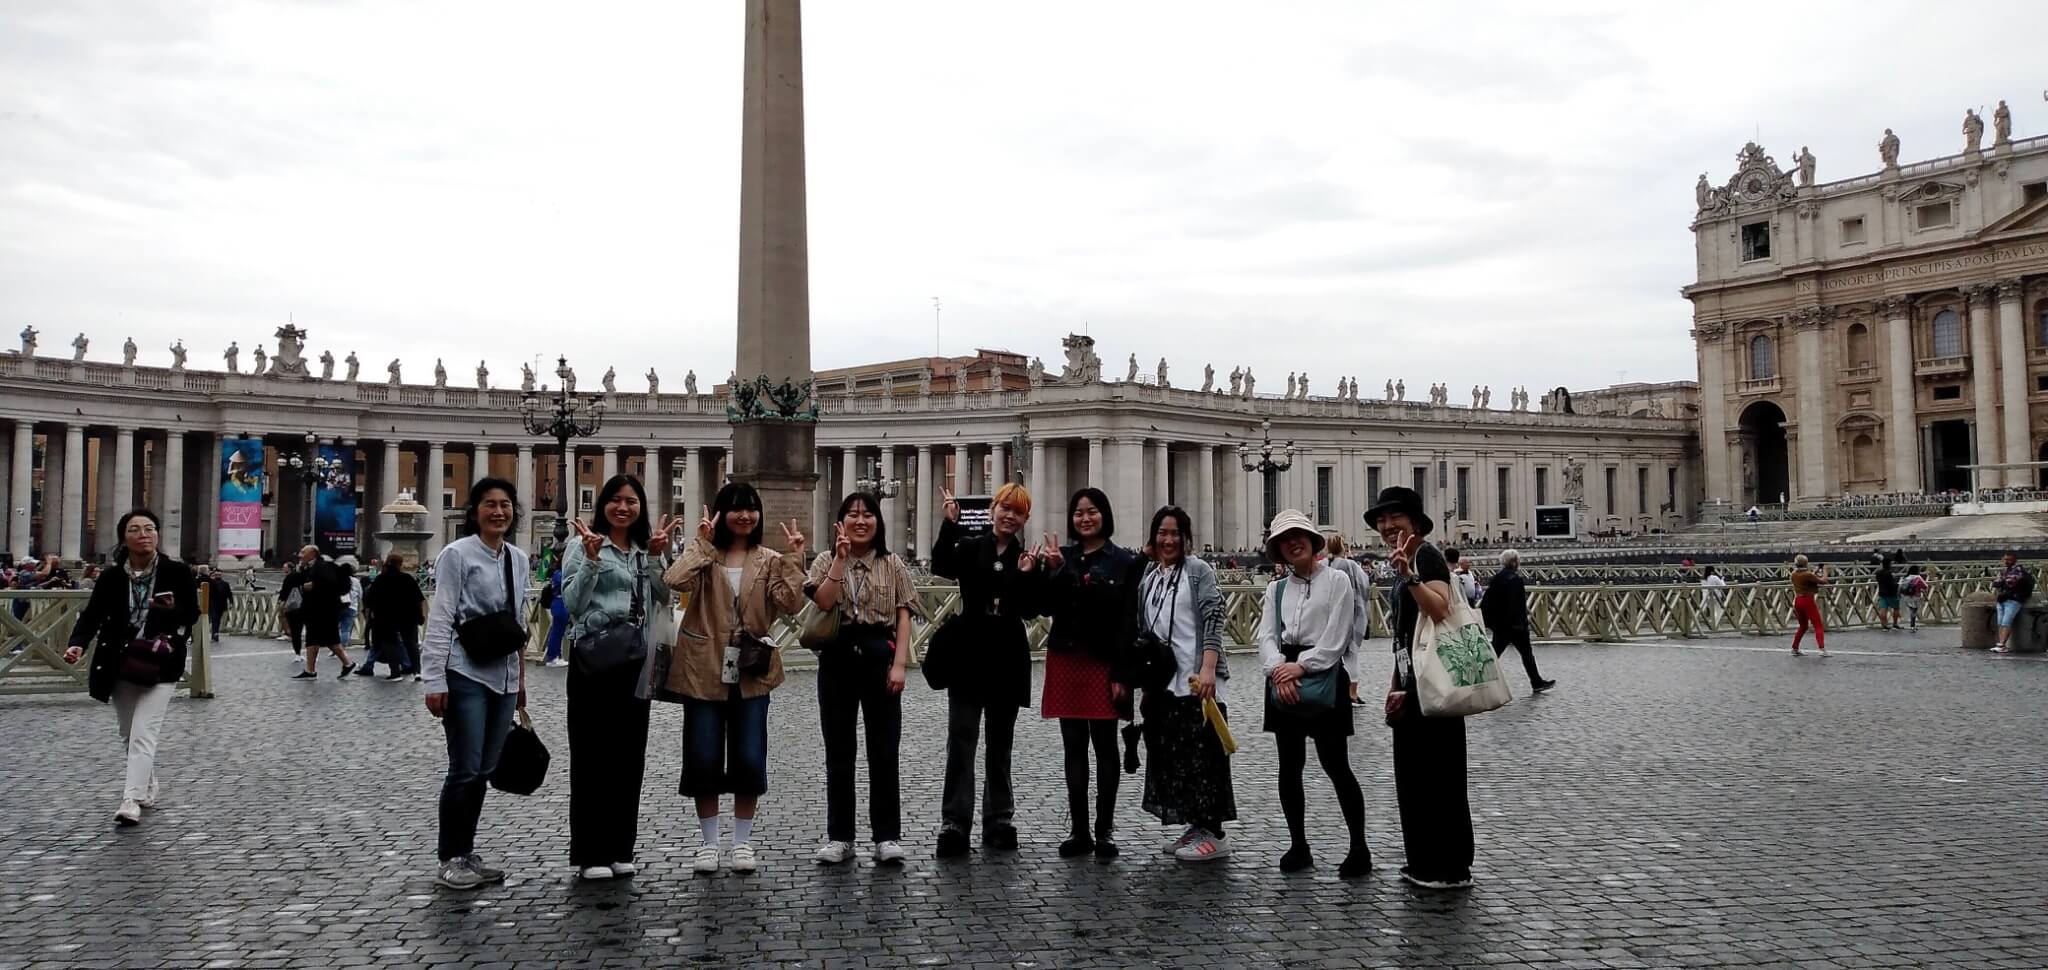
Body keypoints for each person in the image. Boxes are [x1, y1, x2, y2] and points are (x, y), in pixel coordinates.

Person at [660, 482, 806, 875]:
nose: (745, 516)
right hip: (702, 667)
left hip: (751, 669)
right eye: (736, 509)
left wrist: (795, 559)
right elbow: (674, 580)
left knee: (749, 756)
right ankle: (709, 844)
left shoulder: (770, 559)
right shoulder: (706, 556)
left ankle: (742, 842)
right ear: (722, 514)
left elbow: (791, 604)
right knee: (703, 756)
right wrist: (701, 544)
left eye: (751, 508)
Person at [562, 475, 676, 880]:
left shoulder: (646, 549)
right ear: (603, 505)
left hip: (634, 661)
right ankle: (590, 853)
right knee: (591, 757)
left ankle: (620, 847)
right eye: (615, 499)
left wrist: (657, 559)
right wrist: (591, 561)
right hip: (592, 660)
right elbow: (572, 603)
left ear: (641, 507)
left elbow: (665, 598)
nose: (623, 507)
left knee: (629, 757)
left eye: (631, 501)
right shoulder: (581, 545)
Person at [421, 477, 530, 890]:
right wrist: (434, 678)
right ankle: (449, 857)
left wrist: (520, 677)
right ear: (475, 511)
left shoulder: (518, 558)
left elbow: (518, 623)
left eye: (505, 505)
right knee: (465, 768)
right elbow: (441, 615)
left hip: (503, 674)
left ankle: (466, 852)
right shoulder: (456, 554)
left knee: (484, 768)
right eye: (489, 504)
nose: (498, 512)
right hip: (464, 670)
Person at [1368, 485, 1476, 890]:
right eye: (1381, 520)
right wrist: (1395, 684)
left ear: (1414, 521)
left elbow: (1441, 607)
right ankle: (1425, 860)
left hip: (1434, 681)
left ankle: (1447, 866)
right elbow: (1404, 634)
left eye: (1394, 518)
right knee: (1414, 776)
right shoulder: (1406, 557)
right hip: (1412, 682)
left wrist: (1409, 577)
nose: (1386, 525)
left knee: (1437, 776)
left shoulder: (1425, 556)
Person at [64, 508, 200, 826]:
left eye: (149, 528)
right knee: (128, 733)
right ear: (124, 538)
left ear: (158, 535)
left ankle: (130, 800)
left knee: (144, 731)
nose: (144, 535)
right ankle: (148, 784)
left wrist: (168, 610)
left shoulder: (177, 572)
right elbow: (92, 615)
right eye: (135, 529)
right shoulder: (111, 577)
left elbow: (192, 614)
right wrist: (77, 643)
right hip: (119, 659)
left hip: (161, 658)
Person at [804, 491, 918, 866]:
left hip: (878, 655)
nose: (860, 521)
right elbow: (823, 601)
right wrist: (839, 560)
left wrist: (899, 664)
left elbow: (904, 615)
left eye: (867, 514)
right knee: (838, 751)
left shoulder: (892, 562)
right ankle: (841, 836)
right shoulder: (825, 560)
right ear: (840, 522)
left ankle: (887, 835)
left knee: (884, 751)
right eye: (852, 514)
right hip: (837, 656)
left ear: (877, 522)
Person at [930, 482, 1042, 858]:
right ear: (993, 510)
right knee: (961, 739)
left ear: (1025, 518)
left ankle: (999, 818)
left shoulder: (1026, 558)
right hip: (969, 652)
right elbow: (941, 566)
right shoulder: (969, 545)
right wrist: (949, 524)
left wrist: (1028, 575)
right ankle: (955, 820)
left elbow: (1031, 609)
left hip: (1007, 656)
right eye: (1005, 508)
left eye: (1018, 511)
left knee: (1000, 743)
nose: (1010, 515)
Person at [1257, 508, 1369, 878]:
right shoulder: (1275, 589)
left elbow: (1337, 637)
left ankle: (1358, 847)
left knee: (1336, 765)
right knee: (1289, 767)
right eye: (1284, 539)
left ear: (1312, 540)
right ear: (1278, 549)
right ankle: (1298, 844)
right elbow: (1266, 637)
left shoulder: (1337, 581)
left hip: (1323, 674)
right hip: (1284, 676)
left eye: (1298, 535)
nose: (1293, 543)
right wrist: (1279, 669)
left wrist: (1301, 666)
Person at [1033, 487, 1141, 860]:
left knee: (1106, 746)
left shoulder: (1124, 562)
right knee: (1073, 746)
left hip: (1104, 661)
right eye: (1078, 512)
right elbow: (1045, 607)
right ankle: (1079, 830)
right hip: (1066, 657)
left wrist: (1122, 673)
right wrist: (1052, 572)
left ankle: (1104, 829)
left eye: (1092, 511)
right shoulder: (1061, 557)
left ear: (1104, 515)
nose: (1085, 518)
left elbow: (1128, 622)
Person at [1133, 505, 1235, 863]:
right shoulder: (1151, 576)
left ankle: (1215, 833)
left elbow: (1214, 616)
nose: (1168, 540)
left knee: (1205, 756)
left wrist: (1208, 668)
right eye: (1162, 532)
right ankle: (1197, 824)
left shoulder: (1198, 570)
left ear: (1186, 537)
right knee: (1178, 756)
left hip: (1197, 679)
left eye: (1175, 533)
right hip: (1165, 682)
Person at [1478, 550, 1555, 692]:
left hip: (1500, 625)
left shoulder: (1497, 578)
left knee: (1494, 654)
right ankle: (1536, 683)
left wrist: (1491, 622)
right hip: (1515, 626)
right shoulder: (1515, 580)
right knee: (1527, 655)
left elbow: (1487, 601)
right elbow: (1517, 605)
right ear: (1514, 562)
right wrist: (1522, 624)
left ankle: (1478, 680)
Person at [291, 547, 355, 679]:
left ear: (312, 554)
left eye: (303, 553)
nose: (300, 555)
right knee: (317, 639)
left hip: (323, 610)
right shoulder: (310, 567)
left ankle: (346, 663)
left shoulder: (322, 567)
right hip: (317, 610)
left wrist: (313, 586)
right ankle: (312, 670)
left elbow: (330, 584)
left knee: (326, 639)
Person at [363, 553, 426, 679]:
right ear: (400, 564)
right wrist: (421, 615)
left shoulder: (380, 579)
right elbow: (419, 598)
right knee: (411, 643)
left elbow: (370, 601)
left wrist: (369, 617)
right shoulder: (407, 578)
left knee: (390, 643)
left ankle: (395, 672)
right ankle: (417, 671)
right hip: (407, 616)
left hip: (386, 617)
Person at [1990, 553, 2033, 653]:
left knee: (2006, 622)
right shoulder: (2004, 570)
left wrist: (2001, 582)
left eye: (2009, 560)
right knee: (2000, 622)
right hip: (2002, 599)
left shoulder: (2018, 570)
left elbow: (2010, 583)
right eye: (2005, 559)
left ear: (2014, 560)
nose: (2006, 562)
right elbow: (1996, 583)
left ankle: (2002, 644)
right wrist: (2001, 582)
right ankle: (2001, 643)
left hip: (2013, 600)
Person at [1789, 555, 1828, 657]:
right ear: (1806, 563)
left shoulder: (1793, 574)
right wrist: (1825, 571)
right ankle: (1822, 649)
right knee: (1818, 624)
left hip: (1798, 600)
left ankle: (1794, 648)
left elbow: (1807, 578)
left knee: (1803, 626)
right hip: (1807, 600)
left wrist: (1815, 571)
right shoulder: (1807, 574)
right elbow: (1823, 581)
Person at [542, 565, 571, 668]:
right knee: (557, 632)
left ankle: (556, 655)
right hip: (560, 603)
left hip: (557, 603)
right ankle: (553, 657)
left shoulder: (556, 574)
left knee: (558, 632)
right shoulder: (560, 574)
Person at [277, 561, 305, 656]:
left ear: (289, 568)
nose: (283, 568)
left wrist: (282, 599)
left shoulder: (291, 577)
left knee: (283, 615)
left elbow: (285, 590)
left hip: (290, 601)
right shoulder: (296, 576)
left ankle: (289, 633)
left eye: (284, 567)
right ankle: (291, 633)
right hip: (297, 601)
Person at [1874, 559, 1901, 631]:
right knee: (1896, 608)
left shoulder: (1878, 573)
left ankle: (1884, 625)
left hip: (1882, 592)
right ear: (1889, 564)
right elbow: (1892, 584)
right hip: (1891, 593)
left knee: (1883, 609)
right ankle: (1895, 624)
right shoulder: (1889, 573)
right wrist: (1898, 584)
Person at [1901, 565, 1928, 631]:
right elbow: (1925, 586)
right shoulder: (1918, 577)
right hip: (1915, 596)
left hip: (1905, 596)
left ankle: (1911, 624)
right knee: (1914, 611)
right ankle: (1912, 625)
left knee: (1911, 610)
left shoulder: (1905, 577)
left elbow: (1900, 586)